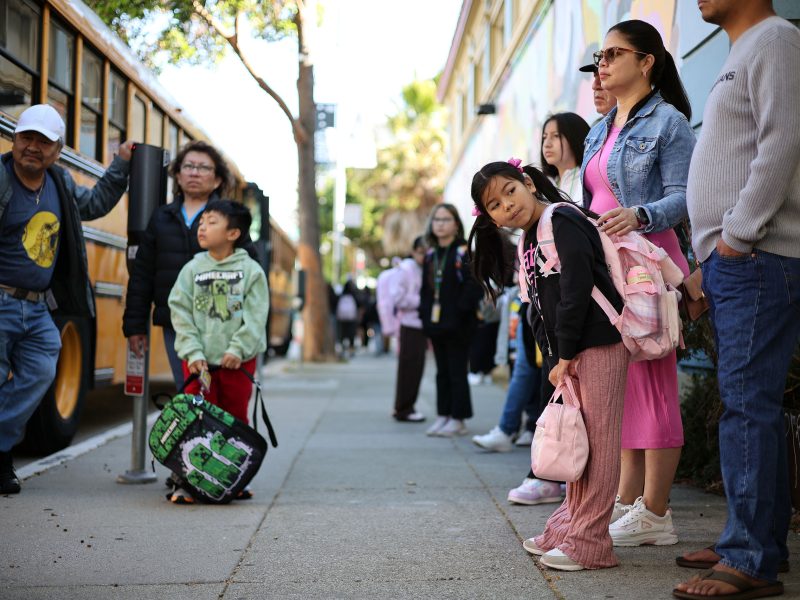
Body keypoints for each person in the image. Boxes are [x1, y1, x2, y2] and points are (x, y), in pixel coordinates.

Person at [674, 2, 800, 598]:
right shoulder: (742, 50)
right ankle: (755, 544)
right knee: (752, 405)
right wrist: (712, 258)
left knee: (747, 406)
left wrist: (734, 236)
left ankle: (748, 559)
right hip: (734, 262)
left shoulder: (775, 38)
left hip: (755, 255)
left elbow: (784, 142)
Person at [469, 159, 628, 571]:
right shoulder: (527, 240)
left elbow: (577, 287)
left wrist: (567, 352)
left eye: (509, 191)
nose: (506, 205)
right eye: (494, 205)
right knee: (580, 441)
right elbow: (535, 309)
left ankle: (591, 542)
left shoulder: (563, 219)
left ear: (526, 182)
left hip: (599, 342)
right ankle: (569, 526)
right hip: (571, 353)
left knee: (601, 442)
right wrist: (556, 358)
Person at [582, 19, 695, 547]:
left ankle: (657, 511)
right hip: (610, 269)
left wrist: (639, 214)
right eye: (601, 55)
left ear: (646, 61)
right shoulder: (599, 128)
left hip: (649, 265)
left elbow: (685, 196)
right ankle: (627, 502)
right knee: (623, 389)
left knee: (654, 385)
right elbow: (591, 202)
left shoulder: (668, 122)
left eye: (613, 54)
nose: (602, 64)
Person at [0, 104, 134, 494]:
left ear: (57, 150)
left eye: (44, 142)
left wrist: (121, 164)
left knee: (42, 372)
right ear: (14, 138)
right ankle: (3, 456)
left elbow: (95, 204)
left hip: (39, 305)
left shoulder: (59, 183)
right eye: (27, 138)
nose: (32, 148)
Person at [167, 199, 268, 504]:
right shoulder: (193, 268)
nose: (202, 226)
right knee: (195, 422)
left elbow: (256, 315)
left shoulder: (250, 271)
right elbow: (179, 310)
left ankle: (231, 478)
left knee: (235, 419)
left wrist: (239, 348)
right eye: (202, 222)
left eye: (212, 222)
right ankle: (188, 482)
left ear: (233, 233)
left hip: (238, 364)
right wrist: (192, 351)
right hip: (200, 364)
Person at [123, 141, 235, 390]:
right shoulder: (161, 218)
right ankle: (198, 431)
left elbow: (249, 271)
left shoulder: (230, 219)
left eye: (204, 168)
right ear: (178, 175)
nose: (194, 172)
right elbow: (142, 275)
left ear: (217, 180)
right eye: (189, 166)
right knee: (189, 390)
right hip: (177, 324)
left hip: (220, 325)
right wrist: (135, 326)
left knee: (219, 395)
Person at [420, 204, 482, 437]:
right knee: (441, 372)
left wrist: (457, 313)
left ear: (456, 224)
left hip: (459, 325)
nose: (440, 224)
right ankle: (443, 415)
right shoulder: (430, 255)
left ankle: (458, 419)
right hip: (436, 325)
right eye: (436, 219)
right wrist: (425, 318)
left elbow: (473, 286)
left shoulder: (463, 251)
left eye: (446, 219)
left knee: (456, 371)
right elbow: (425, 291)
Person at [390, 236, 427, 422]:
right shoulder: (405, 269)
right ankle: (403, 408)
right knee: (409, 369)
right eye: (421, 252)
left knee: (416, 368)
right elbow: (396, 298)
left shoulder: (425, 269)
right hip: (409, 325)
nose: (424, 256)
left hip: (421, 325)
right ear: (414, 251)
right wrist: (422, 303)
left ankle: (406, 407)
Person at [540, 112, 590, 207]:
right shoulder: (546, 186)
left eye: (556, 136)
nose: (547, 144)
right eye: (544, 137)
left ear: (575, 137)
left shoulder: (588, 178)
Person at [335, 280, 360, 358]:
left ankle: (342, 350)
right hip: (351, 318)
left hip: (342, 318)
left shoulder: (341, 295)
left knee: (342, 335)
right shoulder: (353, 295)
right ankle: (351, 351)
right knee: (351, 335)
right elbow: (359, 304)